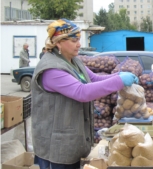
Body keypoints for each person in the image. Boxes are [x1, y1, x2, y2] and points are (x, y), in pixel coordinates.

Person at [31, 18, 138, 169]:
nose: (79, 44)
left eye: (79, 39)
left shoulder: (73, 61)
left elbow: (93, 79)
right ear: (59, 42)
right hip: (56, 148)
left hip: (71, 142)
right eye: (74, 40)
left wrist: (120, 75)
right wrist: (119, 81)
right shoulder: (51, 70)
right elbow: (82, 92)